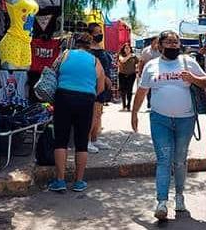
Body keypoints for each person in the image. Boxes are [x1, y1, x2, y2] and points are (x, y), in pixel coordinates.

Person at [131, 30, 206, 220]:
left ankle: (180, 196)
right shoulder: (151, 65)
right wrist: (134, 114)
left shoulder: (188, 62)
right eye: (169, 42)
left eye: (176, 42)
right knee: (164, 159)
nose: (173, 45)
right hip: (160, 119)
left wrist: (192, 79)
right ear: (160, 45)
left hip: (186, 119)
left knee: (180, 160)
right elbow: (142, 91)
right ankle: (162, 202)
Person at [47, 33, 105, 193]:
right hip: (86, 100)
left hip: (63, 97)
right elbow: (100, 87)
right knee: (81, 142)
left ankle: (60, 180)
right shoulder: (95, 61)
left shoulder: (64, 55)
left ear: (74, 44)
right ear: (90, 46)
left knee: (61, 140)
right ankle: (79, 182)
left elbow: (52, 74)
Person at [87, 23, 113, 153]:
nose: (100, 35)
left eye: (100, 32)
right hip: (95, 84)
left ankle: (94, 138)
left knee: (99, 113)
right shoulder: (89, 50)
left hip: (104, 85)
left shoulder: (100, 48)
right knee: (94, 113)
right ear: (90, 34)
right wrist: (104, 78)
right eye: (96, 32)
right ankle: (87, 141)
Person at [138, 36, 161, 109]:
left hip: (158, 72)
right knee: (149, 89)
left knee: (156, 88)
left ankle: (155, 102)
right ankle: (149, 102)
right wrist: (140, 71)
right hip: (148, 72)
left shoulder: (161, 50)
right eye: (155, 41)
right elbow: (141, 62)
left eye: (158, 42)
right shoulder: (146, 51)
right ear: (152, 42)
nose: (156, 43)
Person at [117, 43, 138, 111]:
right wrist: (130, 55)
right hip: (122, 74)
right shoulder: (121, 55)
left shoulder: (134, 56)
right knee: (123, 90)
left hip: (131, 75)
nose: (127, 49)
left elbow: (138, 63)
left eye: (128, 48)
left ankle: (129, 105)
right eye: (126, 48)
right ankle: (124, 105)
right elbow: (123, 60)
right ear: (123, 49)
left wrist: (137, 69)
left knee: (129, 90)